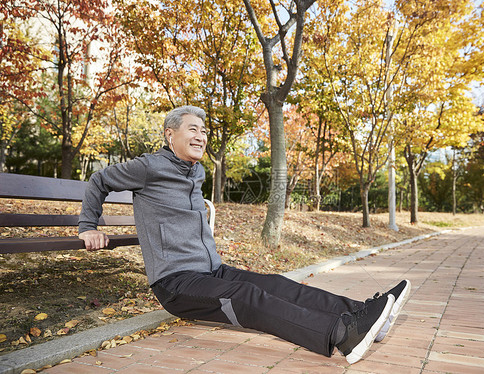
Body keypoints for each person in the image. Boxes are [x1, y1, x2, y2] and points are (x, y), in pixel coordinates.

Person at [78, 105, 411, 365]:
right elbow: (99, 180)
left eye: (204, 131)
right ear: (170, 135)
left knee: (275, 284)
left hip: (211, 270)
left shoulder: (197, 171)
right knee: (248, 298)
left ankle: (364, 314)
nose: (200, 136)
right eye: (192, 129)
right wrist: (88, 227)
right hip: (175, 283)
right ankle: (343, 334)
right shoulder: (148, 167)